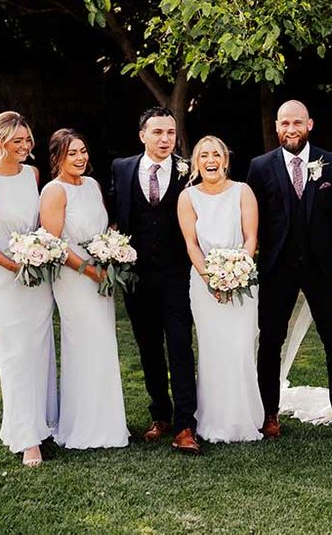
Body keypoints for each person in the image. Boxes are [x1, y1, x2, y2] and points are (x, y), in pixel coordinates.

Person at [246, 100, 332, 438]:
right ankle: (269, 413)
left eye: (296, 122)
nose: (290, 129)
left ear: (310, 124)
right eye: (284, 123)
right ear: (277, 127)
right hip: (276, 268)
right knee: (270, 341)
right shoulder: (260, 167)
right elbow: (253, 216)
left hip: (322, 267)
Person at [0, 111, 57, 467]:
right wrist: (14, 265)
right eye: (17, 140)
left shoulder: (33, 175)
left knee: (40, 351)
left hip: (37, 279)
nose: (25, 146)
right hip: (6, 281)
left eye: (28, 140)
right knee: (16, 356)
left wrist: (39, 254)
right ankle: (25, 438)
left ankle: (44, 423)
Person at [109, 107, 200, 454]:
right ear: (142, 135)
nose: (165, 139)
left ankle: (185, 425)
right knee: (148, 349)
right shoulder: (122, 168)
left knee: (179, 347)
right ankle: (159, 414)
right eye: (158, 132)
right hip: (137, 277)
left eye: (171, 133)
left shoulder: (188, 170)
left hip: (177, 275)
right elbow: (116, 214)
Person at [40, 129, 129, 449]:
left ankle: (107, 423)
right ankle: (82, 427)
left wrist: (111, 255)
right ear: (57, 158)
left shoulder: (91, 185)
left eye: (83, 151)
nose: (80, 158)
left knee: (103, 344)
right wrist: (88, 269)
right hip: (74, 279)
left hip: (100, 274)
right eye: (72, 153)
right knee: (83, 345)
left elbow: (102, 228)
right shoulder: (54, 191)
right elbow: (54, 243)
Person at [177, 136, 263, 443]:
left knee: (240, 347)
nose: (210, 160)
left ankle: (245, 418)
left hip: (242, 281)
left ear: (225, 160)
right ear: (196, 162)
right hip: (204, 285)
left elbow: (250, 237)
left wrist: (238, 273)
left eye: (216, 154)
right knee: (213, 351)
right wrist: (211, 279)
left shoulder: (243, 191)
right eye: (204, 155)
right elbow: (191, 243)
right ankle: (214, 420)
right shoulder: (188, 197)